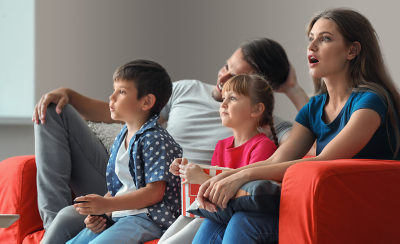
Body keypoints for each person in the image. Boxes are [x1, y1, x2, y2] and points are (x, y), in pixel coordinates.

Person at [32, 38, 310, 243]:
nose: (223, 77)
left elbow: (310, 135)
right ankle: (54, 223)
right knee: (53, 109)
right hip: (131, 178)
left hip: (166, 197)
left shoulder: (269, 127)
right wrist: (69, 94)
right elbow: (127, 112)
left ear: (258, 99)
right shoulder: (186, 89)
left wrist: (291, 88)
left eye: (235, 77)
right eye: (226, 66)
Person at [194, 8, 400, 244]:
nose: (311, 47)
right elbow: (276, 160)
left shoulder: (371, 101)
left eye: (325, 38)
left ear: (352, 50)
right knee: (214, 219)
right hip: (324, 205)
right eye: (311, 38)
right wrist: (226, 177)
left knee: (244, 222)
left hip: (362, 210)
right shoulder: (314, 108)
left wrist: (242, 176)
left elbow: (326, 161)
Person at [66, 59, 183, 244]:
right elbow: (119, 189)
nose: (111, 97)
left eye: (121, 91)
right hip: (121, 216)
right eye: (114, 90)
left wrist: (107, 205)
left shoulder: (156, 139)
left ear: (147, 101)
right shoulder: (123, 135)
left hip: (147, 219)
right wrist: (101, 212)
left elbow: (155, 193)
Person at [170, 74, 278, 199]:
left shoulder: (264, 147)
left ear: (256, 109)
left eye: (232, 98)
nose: (223, 104)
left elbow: (248, 197)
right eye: (223, 98)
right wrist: (186, 168)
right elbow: (212, 194)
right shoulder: (221, 146)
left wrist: (202, 178)